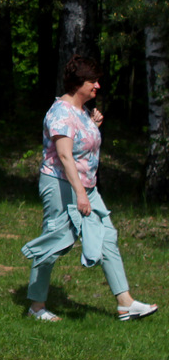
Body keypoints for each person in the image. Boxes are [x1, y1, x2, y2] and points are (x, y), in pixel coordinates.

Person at [21, 55, 157, 322]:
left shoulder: (82, 111)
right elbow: (64, 156)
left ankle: (125, 303)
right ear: (77, 83)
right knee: (53, 241)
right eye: (92, 81)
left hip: (86, 186)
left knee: (107, 236)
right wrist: (81, 194)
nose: (97, 86)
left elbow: (81, 146)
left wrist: (92, 125)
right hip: (61, 184)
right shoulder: (60, 112)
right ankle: (36, 307)